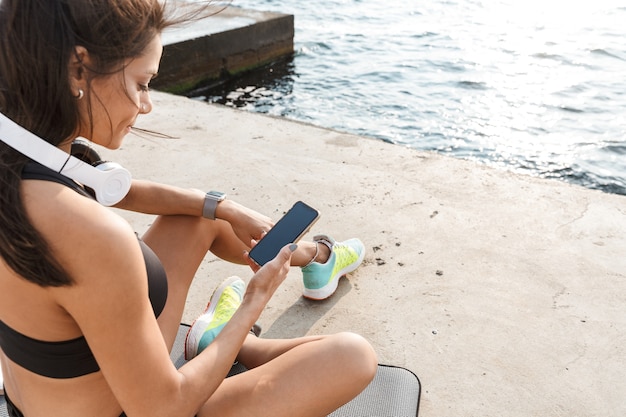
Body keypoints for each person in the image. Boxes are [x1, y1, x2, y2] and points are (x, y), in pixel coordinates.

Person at [0, 1, 378, 416]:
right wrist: (254, 299)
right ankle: (236, 339)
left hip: (62, 393)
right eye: (143, 84)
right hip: (146, 406)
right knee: (352, 355)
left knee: (201, 217)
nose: (147, 105)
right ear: (78, 69)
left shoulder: (26, 153)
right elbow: (165, 409)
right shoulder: (90, 236)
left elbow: (125, 190)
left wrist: (223, 206)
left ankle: (308, 259)